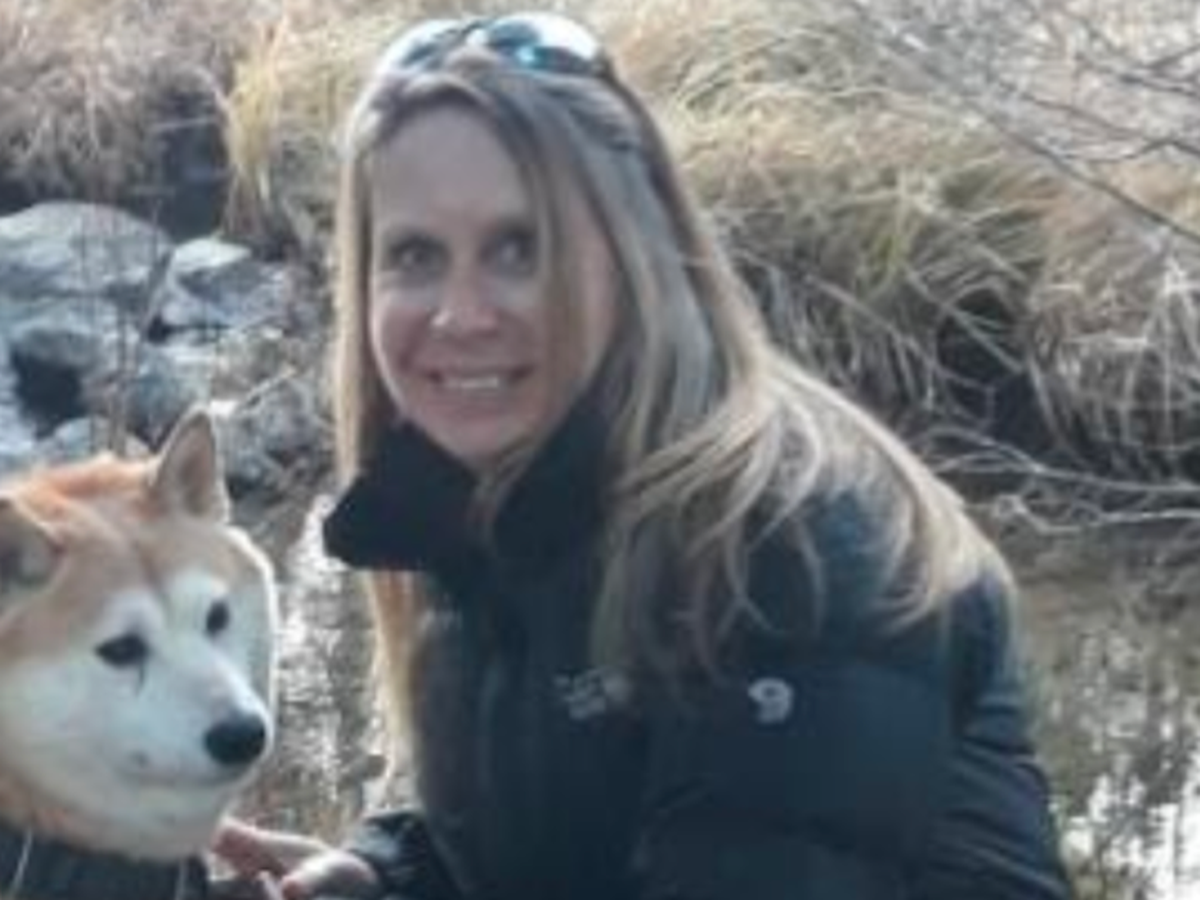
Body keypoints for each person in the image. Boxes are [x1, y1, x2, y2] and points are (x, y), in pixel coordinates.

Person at [214, 11, 1072, 900]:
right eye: (415, 255)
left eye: (520, 249)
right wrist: (384, 877)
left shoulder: (790, 551)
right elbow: (557, 840)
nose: (460, 314)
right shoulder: (493, 503)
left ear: (636, 256)